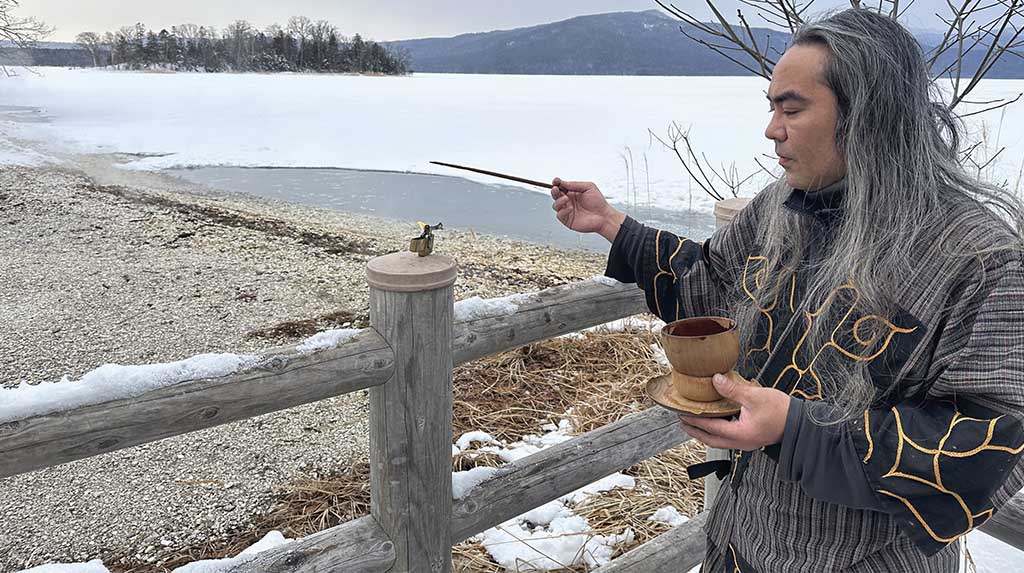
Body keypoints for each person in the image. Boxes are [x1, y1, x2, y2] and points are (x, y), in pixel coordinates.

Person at [551, 9, 1024, 572]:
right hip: (740, 542)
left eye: (791, 108)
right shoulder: (784, 205)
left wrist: (793, 429)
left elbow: (988, 446)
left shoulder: (976, 257)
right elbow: (716, 291)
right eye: (771, 107)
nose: (772, 129)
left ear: (869, 114)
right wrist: (612, 224)